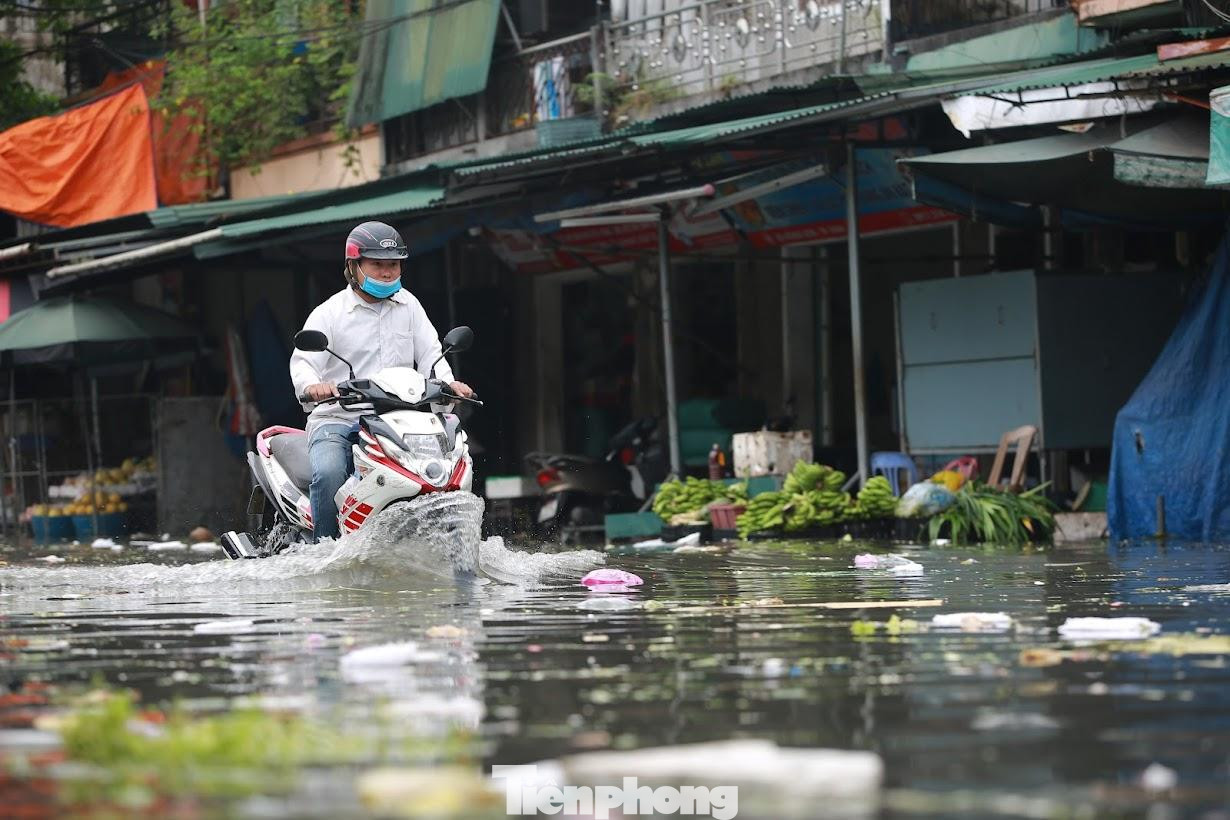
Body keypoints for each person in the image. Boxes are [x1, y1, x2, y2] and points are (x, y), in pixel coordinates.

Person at [289, 221, 474, 541]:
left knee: (447, 464)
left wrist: (449, 383)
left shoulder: (410, 306)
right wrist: (313, 387)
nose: (388, 273)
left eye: (393, 265)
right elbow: (304, 362)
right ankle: (323, 549)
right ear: (353, 267)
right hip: (339, 416)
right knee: (330, 473)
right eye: (377, 265)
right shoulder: (330, 312)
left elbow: (432, 354)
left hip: (400, 418)